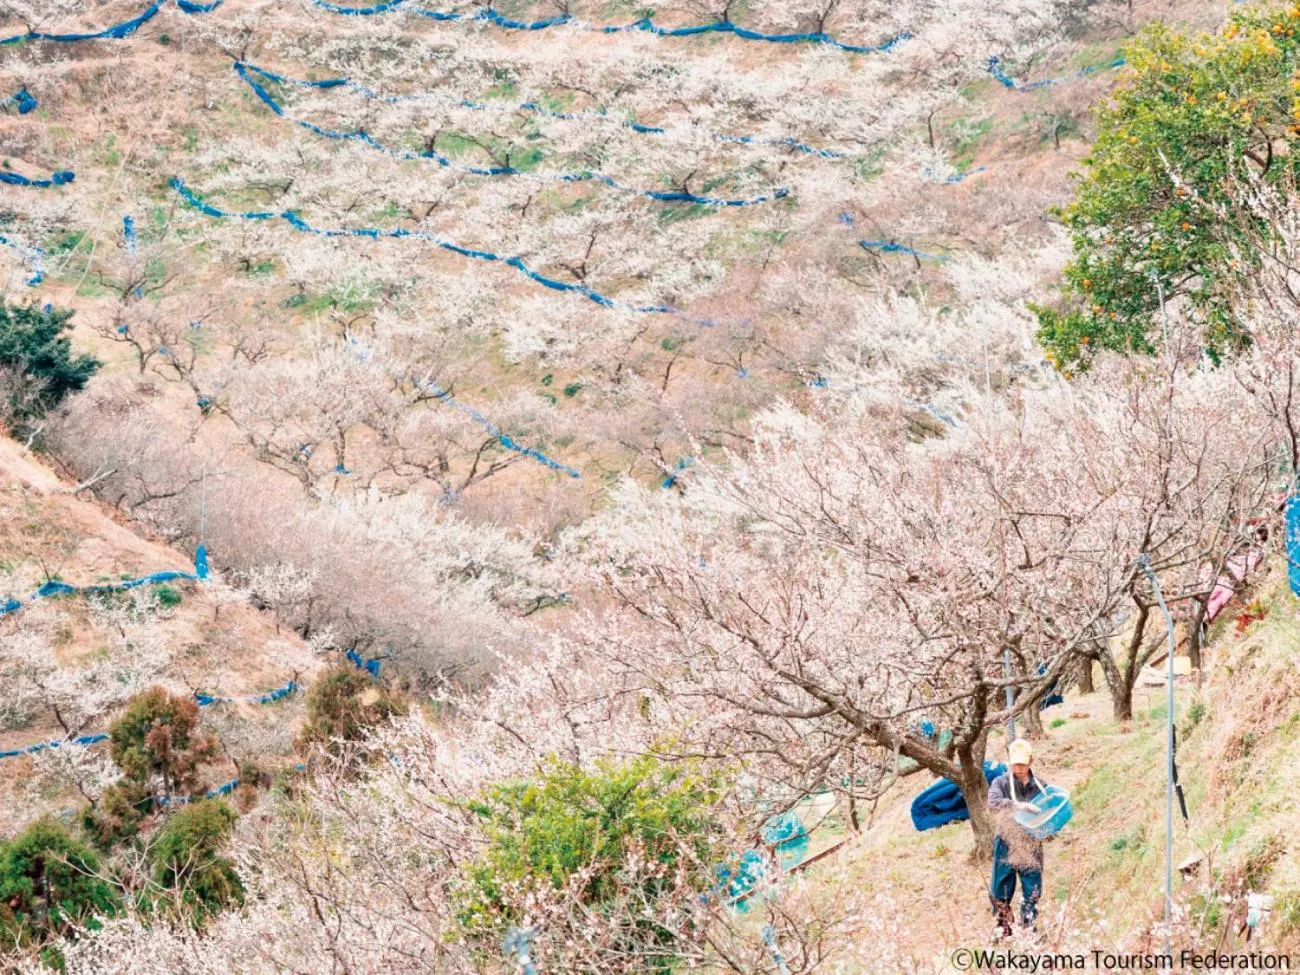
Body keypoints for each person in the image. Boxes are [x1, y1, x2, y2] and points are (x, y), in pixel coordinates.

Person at [987, 738, 1047, 940]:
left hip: (1030, 844)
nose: (1018, 768)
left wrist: (1049, 829)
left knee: (1033, 886)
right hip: (1006, 839)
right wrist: (1019, 806)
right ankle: (1003, 925)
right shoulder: (1001, 783)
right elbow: (994, 802)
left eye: (1022, 763)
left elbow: (1050, 810)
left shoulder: (1041, 786)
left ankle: (1028, 927)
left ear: (1030, 761)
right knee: (1001, 885)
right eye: (1015, 764)